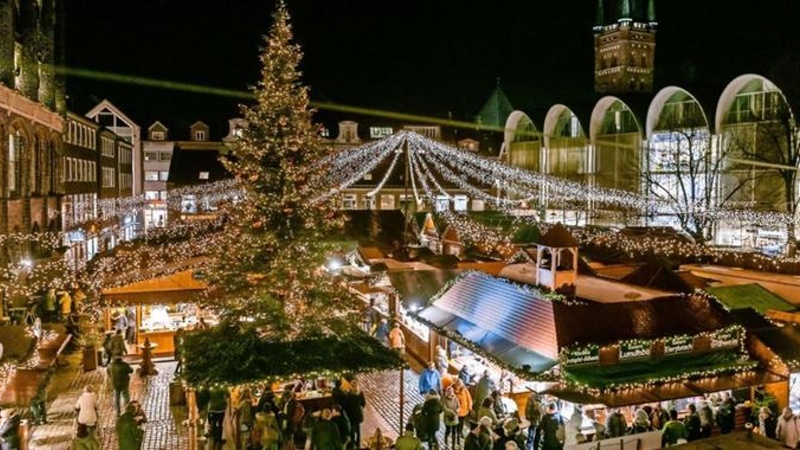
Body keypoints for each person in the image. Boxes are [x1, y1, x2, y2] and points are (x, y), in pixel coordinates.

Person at [344, 379, 365, 449]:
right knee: (358, 428)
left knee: (352, 429)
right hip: (358, 413)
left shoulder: (348, 395)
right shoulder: (360, 393)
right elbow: (363, 403)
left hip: (351, 414)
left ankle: (353, 443)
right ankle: (358, 442)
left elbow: (346, 406)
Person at [454, 379, 473, 444]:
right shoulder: (454, 390)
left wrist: (469, 407)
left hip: (464, 410)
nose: (459, 385)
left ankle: (460, 432)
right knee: (457, 422)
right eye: (458, 384)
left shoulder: (465, 390)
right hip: (458, 411)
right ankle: (457, 433)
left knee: (461, 422)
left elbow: (469, 398)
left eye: (460, 384)